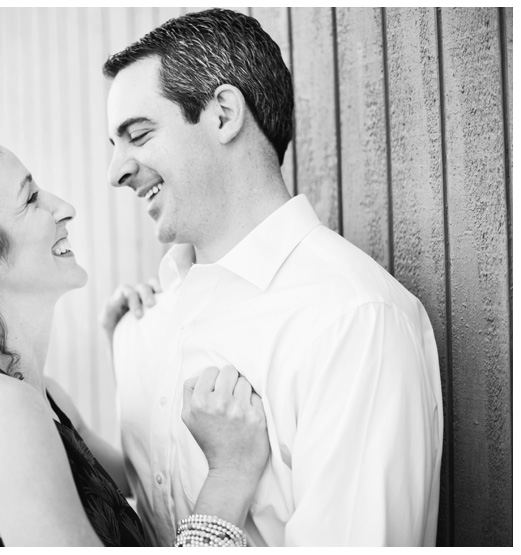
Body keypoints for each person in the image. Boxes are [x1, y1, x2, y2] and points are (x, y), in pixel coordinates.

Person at [101, 8, 444, 547]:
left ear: (223, 115)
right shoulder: (145, 324)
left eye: (138, 135)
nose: (116, 171)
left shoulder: (353, 323)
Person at [0, 127, 270, 546]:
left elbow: (144, 477)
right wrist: (229, 478)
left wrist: (133, 349)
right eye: (31, 199)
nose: (64, 208)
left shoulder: (40, 397)